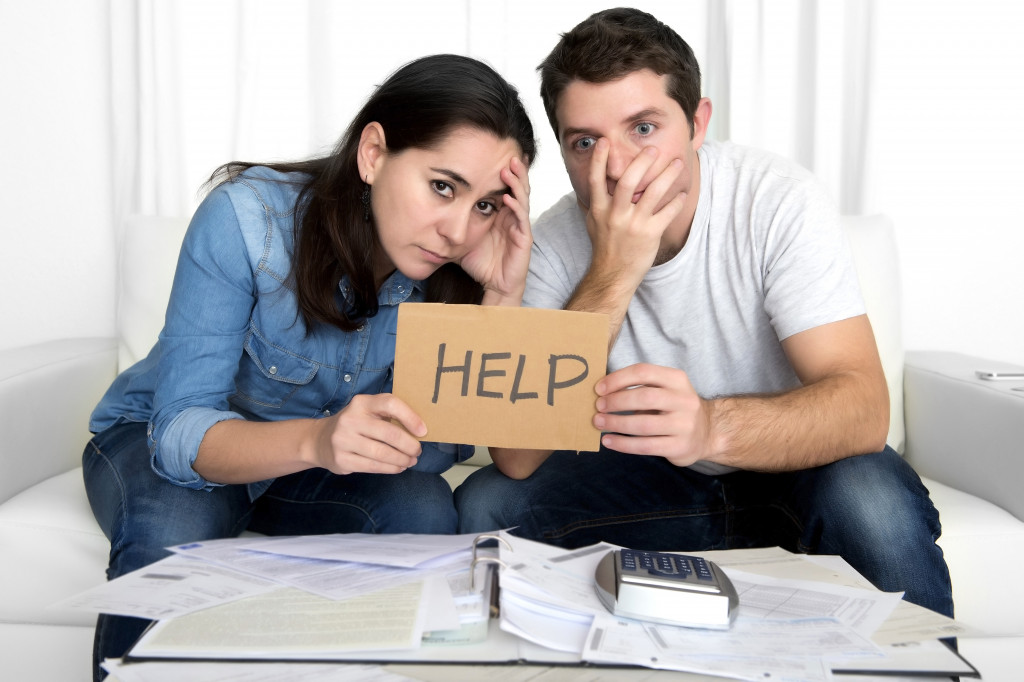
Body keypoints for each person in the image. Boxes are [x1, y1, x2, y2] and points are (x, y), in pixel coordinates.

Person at [455, 8, 953, 619]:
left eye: (642, 128)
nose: (613, 167)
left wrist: (710, 428)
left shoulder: (775, 201)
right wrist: (616, 268)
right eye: (584, 142)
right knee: (489, 502)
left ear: (697, 123)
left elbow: (864, 409)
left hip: (794, 473)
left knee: (869, 498)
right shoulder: (554, 239)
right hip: (650, 486)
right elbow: (515, 456)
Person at [83, 53, 535, 678]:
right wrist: (320, 438)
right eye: (443, 186)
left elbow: (438, 448)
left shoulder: (456, 276)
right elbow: (179, 433)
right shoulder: (248, 221)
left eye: (486, 205)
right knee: (178, 522)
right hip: (162, 439)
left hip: (312, 471)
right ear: (374, 153)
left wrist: (502, 301)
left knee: (423, 508)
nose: (458, 229)